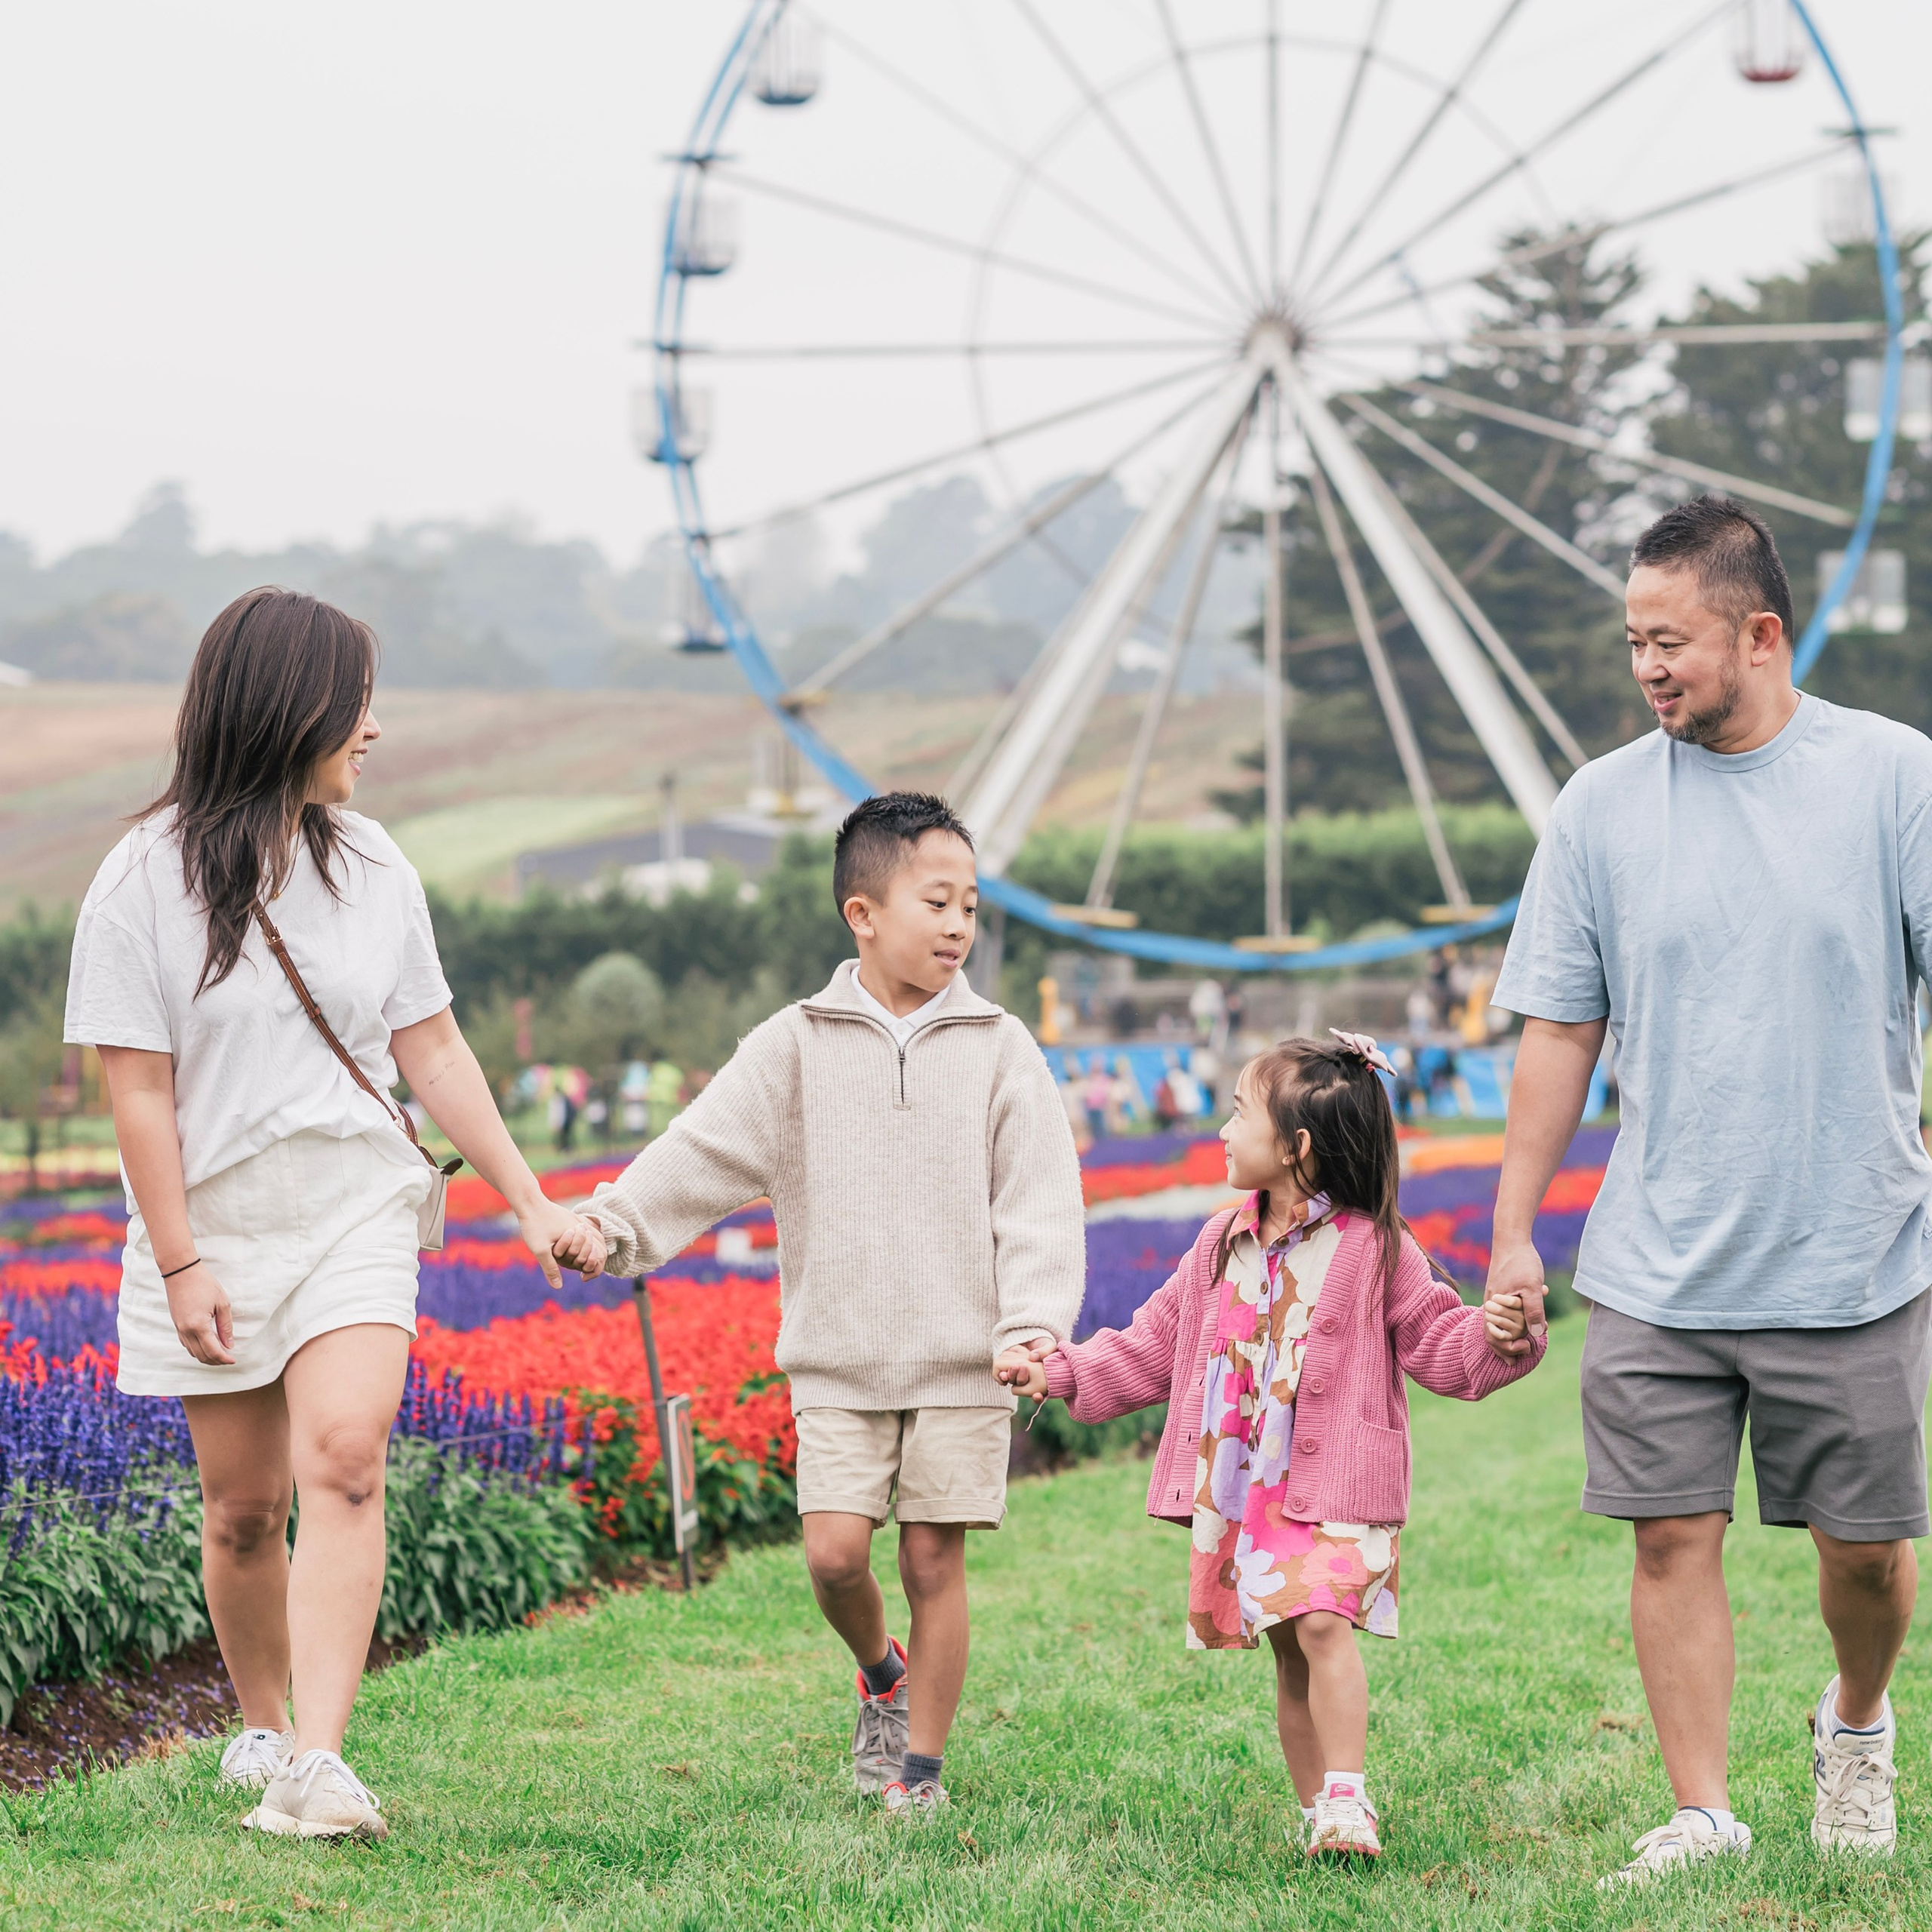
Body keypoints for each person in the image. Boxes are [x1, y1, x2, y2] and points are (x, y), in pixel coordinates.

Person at [63, 588, 599, 1841]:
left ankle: (318, 1761)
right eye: (360, 702)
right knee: (243, 1508)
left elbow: (436, 1047)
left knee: (347, 1458)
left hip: (356, 1198)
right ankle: (262, 1723)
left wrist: (527, 1199)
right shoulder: (139, 879)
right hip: (218, 1227)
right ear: (291, 705)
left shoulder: (374, 864)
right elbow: (136, 1090)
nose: (377, 730)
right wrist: (184, 1261)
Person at [1487, 494, 1932, 1884]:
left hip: (1850, 1250)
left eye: (1671, 641)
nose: (1650, 669)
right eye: (1633, 644)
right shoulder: (1602, 807)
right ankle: (1703, 1809)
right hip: (1656, 1260)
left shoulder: (1894, 778)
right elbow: (1560, 1029)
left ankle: (1855, 1723)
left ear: (1760, 633)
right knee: (1671, 1538)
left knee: (1866, 1557)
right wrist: (1511, 1230)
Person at [558, 792, 1085, 1815]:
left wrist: (1031, 1326)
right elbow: (701, 1153)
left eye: (970, 907)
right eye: (936, 902)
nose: (958, 927)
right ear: (863, 912)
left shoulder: (999, 1046)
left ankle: (917, 1773)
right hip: (838, 1361)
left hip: (963, 1363)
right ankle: (881, 1674)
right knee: (836, 1554)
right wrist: (609, 1225)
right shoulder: (795, 1044)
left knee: (936, 1558)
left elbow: (1039, 1204)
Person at [998, 1033, 1541, 1858]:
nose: (1221, 1127)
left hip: (1334, 1487)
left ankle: (1350, 1798)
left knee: (1322, 1622)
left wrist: (1500, 1339)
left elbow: (1441, 1346)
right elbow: (1151, 1345)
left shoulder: (1378, 1248)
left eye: (1240, 1111)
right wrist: (1061, 1371)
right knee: (1289, 1650)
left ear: (1297, 1148)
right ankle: (1316, 1808)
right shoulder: (1219, 1243)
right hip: (1249, 1488)